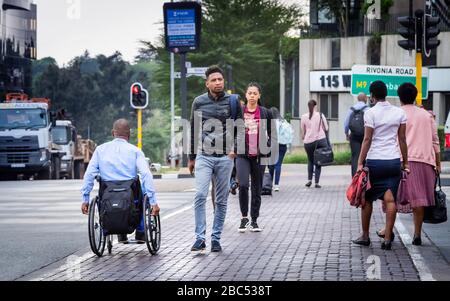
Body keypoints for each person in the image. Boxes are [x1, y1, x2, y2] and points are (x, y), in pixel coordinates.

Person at [377, 83, 440, 246]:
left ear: (399, 97)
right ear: (415, 95)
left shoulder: (396, 113)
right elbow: (435, 142)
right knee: (419, 199)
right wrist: (438, 164)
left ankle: (388, 231)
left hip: (398, 160)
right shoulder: (427, 116)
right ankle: (417, 235)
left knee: (392, 198)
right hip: (424, 162)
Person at [188, 65, 243, 253]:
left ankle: (216, 238)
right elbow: (194, 129)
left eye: (220, 79)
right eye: (214, 80)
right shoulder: (198, 102)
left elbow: (240, 128)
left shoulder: (233, 101)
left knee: (221, 200)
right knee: (200, 195)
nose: (218, 82)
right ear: (207, 84)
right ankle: (199, 238)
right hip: (204, 156)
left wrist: (236, 149)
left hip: (225, 157)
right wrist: (191, 157)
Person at [80, 119, 160, 244]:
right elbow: (145, 174)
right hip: (131, 192)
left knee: (109, 196)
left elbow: (89, 174)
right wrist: (153, 201)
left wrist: (85, 199)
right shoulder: (135, 151)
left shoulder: (100, 150)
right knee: (143, 193)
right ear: (129, 134)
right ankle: (140, 231)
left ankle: (120, 233)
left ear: (113, 133)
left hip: (107, 191)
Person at [352, 81, 408, 250]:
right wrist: (405, 162)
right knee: (391, 200)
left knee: (367, 198)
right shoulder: (399, 112)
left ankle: (365, 236)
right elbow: (402, 140)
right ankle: (387, 238)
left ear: (372, 95)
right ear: (386, 94)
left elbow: (367, 139)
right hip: (393, 161)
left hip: (375, 161)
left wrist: (360, 162)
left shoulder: (370, 113)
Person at [237, 82, 272, 233]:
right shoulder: (239, 112)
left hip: (259, 155)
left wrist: (268, 147)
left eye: (255, 93)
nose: (252, 96)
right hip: (242, 154)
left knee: (257, 189)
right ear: (246, 95)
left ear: (259, 96)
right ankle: (244, 217)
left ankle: (254, 220)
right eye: (249, 93)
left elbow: (271, 132)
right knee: (243, 185)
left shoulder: (265, 112)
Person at [300, 100, 329, 188]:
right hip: (320, 140)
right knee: (318, 161)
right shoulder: (320, 115)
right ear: (315, 106)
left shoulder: (303, 116)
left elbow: (303, 131)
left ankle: (309, 180)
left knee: (310, 160)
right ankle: (316, 182)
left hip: (308, 142)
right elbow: (326, 128)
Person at [344, 93, 369, 177]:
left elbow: (346, 123)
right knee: (365, 156)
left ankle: (355, 178)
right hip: (365, 136)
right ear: (365, 99)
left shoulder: (351, 109)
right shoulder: (368, 109)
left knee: (355, 157)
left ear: (358, 99)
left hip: (354, 136)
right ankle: (364, 177)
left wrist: (346, 134)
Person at [268, 107, 293, 192]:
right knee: (278, 165)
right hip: (283, 145)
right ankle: (276, 185)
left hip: (273, 144)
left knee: (271, 165)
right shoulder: (284, 121)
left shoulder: (272, 122)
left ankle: (270, 183)